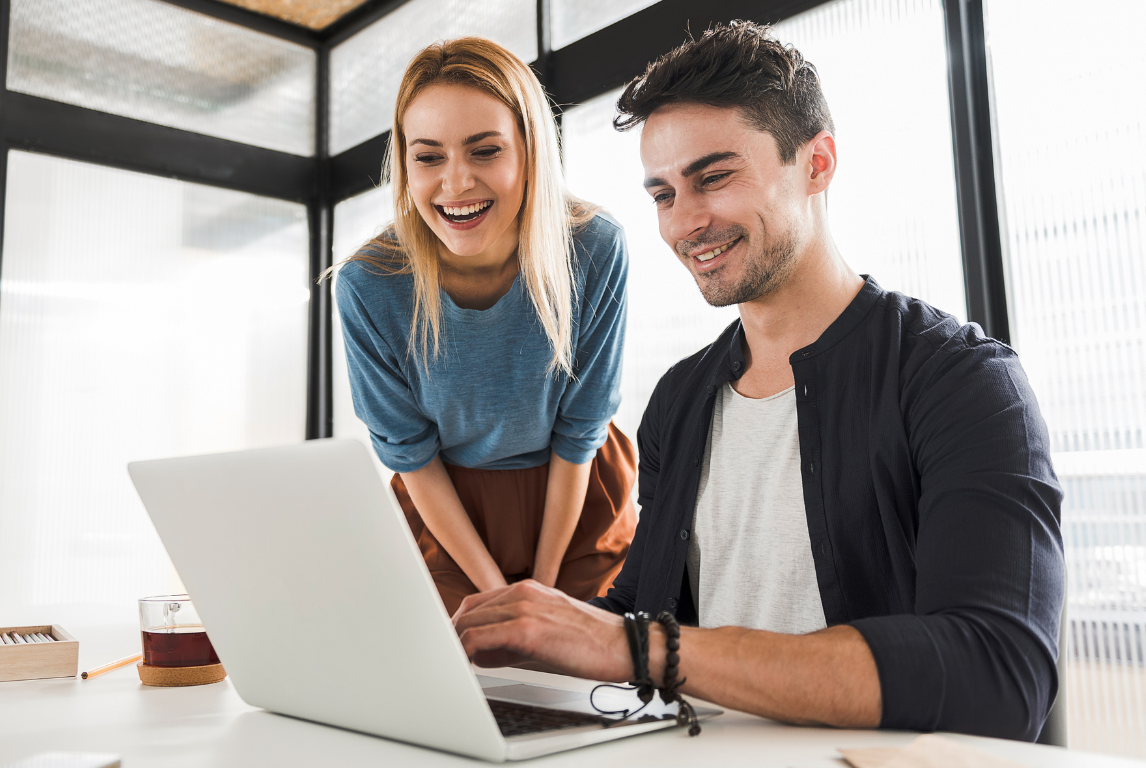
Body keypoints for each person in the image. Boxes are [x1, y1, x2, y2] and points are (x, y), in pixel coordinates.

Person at [453, 22, 1065, 741]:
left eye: (714, 178)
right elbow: (642, 614)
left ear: (818, 163)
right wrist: (523, 639)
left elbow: (996, 675)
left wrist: (634, 647)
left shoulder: (960, 381)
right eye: (662, 194)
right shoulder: (682, 398)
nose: (686, 222)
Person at [335, 37, 636, 616]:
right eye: (428, 157)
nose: (455, 184)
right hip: (448, 511)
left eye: (484, 151)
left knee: (585, 670)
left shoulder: (596, 248)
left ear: (529, 151)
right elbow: (411, 454)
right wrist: (499, 593)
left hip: (576, 495)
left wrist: (543, 592)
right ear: (404, 164)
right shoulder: (369, 285)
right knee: (465, 676)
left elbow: (581, 431)